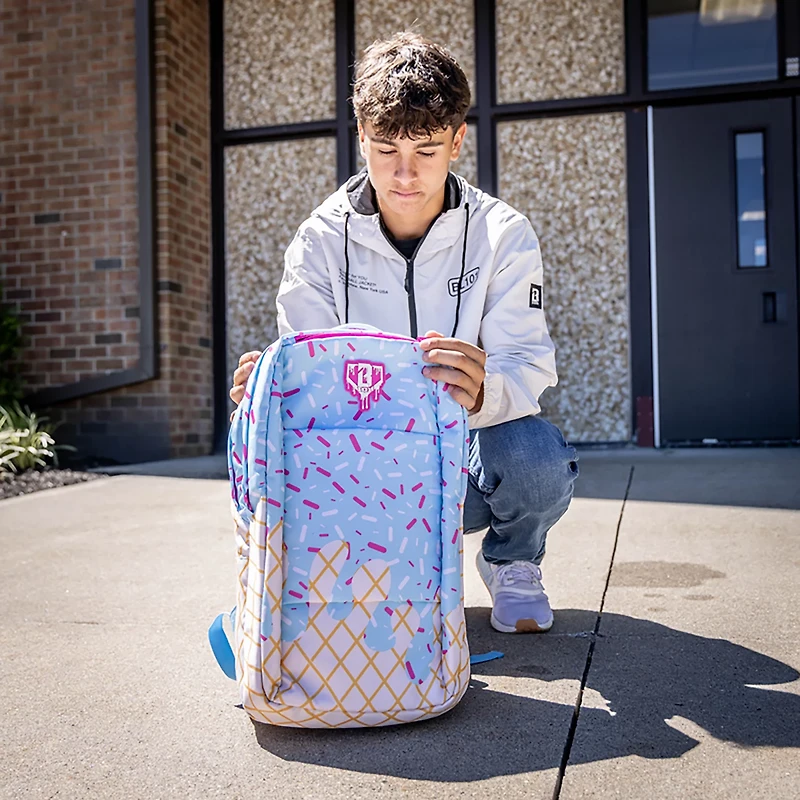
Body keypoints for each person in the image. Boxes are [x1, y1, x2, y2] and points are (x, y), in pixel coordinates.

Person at [229, 32, 579, 634]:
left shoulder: (503, 232)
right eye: (386, 148)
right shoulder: (318, 240)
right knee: (256, 424)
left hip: (463, 461)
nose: (405, 174)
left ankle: (513, 561)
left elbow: (528, 364)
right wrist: (274, 388)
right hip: (369, 472)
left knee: (535, 456)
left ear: (458, 140)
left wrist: (484, 386)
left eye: (426, 149)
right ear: (360, 136)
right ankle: (367, 570)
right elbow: (314, 390)